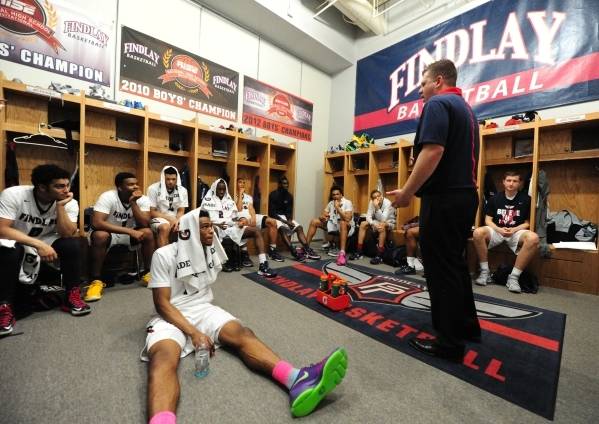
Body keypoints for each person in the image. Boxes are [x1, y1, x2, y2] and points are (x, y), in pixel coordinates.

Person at [142, 209, 348, 423]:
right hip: (171, 315)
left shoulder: (207, 250)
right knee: (163, 359)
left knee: (242, 333)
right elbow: (162, 304)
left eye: (210, 225)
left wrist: (199, 330)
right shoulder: (163, 255)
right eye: (203, 227)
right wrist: (194, 333)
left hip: (202, 308)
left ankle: (297, 379)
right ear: (188, 231)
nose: (210, 230)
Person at [387, 59, 480, 362]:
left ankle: (449, 343)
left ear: (438, 81)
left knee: (440, 270)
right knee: (454, 264)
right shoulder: (467, 110)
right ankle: (466, 328)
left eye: (423, 83)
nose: (420, 92)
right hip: (465, 197)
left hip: (445, 199)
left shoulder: (438, 104)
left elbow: (433, 150)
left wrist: (407, 193)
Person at [0, 164, 90, 335]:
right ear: (42, 187)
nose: (66, 190)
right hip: (17, 239)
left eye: (67, 185)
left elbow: (68, 233)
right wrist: (38, 245)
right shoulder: (14, 195)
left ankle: (72, 294)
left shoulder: (69, 202)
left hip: (47, 240)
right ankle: (4, 307)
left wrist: (60, 207)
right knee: (9, 248)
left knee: (72, 244)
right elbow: (2, 229)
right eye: (59, 186)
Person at [87, 172, 155, 300]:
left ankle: (148, 273)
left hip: (128, 233)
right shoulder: (108, 196)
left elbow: (145, 223)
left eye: (136, 184)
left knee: (148, 233)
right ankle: (95, 281)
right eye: (130, 184)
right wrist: (129, 231)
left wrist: (134, 203)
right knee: (100, 236)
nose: (135, 187)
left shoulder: (143, 199)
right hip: (109, 233)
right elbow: (97, 223)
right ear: (119, 187)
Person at [472, 171, 539, 293]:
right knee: (477, 232)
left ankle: (513, 278)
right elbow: (488, 220)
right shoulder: (495, 198)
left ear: (520, 183)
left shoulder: (527, 199)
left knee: (533, 238)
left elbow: (528, 222)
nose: (511, 184)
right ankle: (485, 272)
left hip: (516, 231)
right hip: (497, 230)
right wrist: (498, 229)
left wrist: (514, 229)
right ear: (503, 182)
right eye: (508, 180)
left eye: (515, 181)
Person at [201, 178, 276, 277]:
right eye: (219, 189)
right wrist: (215, 225)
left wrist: (240, 222)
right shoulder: (207, 200)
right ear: (215, 189)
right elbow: (202, 221)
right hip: (216, 227)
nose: (222, 192)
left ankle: (263, 264)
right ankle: (213, 262)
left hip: (231, 227)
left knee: (256, 231)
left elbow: (234, 218)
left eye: (224, 189)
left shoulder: (229, 201)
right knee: (211, 230)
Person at [236, 177, 284, 264]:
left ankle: (272, 249)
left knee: (272, 222)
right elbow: (238, 209)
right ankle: (244, 253)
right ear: (236, 184)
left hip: (250, 216)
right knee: (243, 223)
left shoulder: (248, 197)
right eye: (240, 182)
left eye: (243, 183)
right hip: (240, 217)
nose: (242, 184)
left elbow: (251, 208)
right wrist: (240, 194)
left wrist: (253, 217)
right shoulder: (232, 196)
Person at [305, 185, 355, 266]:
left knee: (343, 223)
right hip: (334, 225)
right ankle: (306, 247)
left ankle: (342, 253)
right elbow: (324, 214)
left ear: (341, 195)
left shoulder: (347, 202)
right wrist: (322, 217)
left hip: (346, 227)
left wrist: (338, 208)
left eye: (337, 194)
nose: (335, 196)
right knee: (314, 221)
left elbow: (347, 219)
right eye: (333, 195)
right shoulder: (331, 203)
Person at [268, 176, 312, 262]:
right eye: (284, 184)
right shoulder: (273, 194)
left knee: (299, 227)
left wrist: (289, 220)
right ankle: (293, 251)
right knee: (282, 229)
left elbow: (289, 211)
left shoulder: (289, 196)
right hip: (275, 217)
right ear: (279, 184)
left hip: (285, 217)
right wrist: (285, 222)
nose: (286, 185)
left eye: (287, 184)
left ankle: (307, 249)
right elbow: (272, 212)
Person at [349, 189, 396, 264]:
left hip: (389, 222)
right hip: (377, 222)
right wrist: (373, 224)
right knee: (363, 224)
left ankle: (379, 255)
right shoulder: (371, 202)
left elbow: (383, 219)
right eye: (374, 197)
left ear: (381, 196)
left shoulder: (388, 203)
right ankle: (359, 251)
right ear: (372, 199)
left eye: (378, 196)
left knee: (382, 225)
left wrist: (377, 207)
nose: (377, 198)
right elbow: (368, 217)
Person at [148, 166, 188, 248]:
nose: (171, 182)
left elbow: (181, 210)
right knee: (165, 227)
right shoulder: (153, 189)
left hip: (176, 218)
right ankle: (163, 259)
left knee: (188, 228)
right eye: (168, 179)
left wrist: (177, 221)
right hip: (158, 218)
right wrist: (170, 219)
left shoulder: (183, 190)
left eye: (173, 179)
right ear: (163, 178)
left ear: (177, 179)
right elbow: (152, 212)